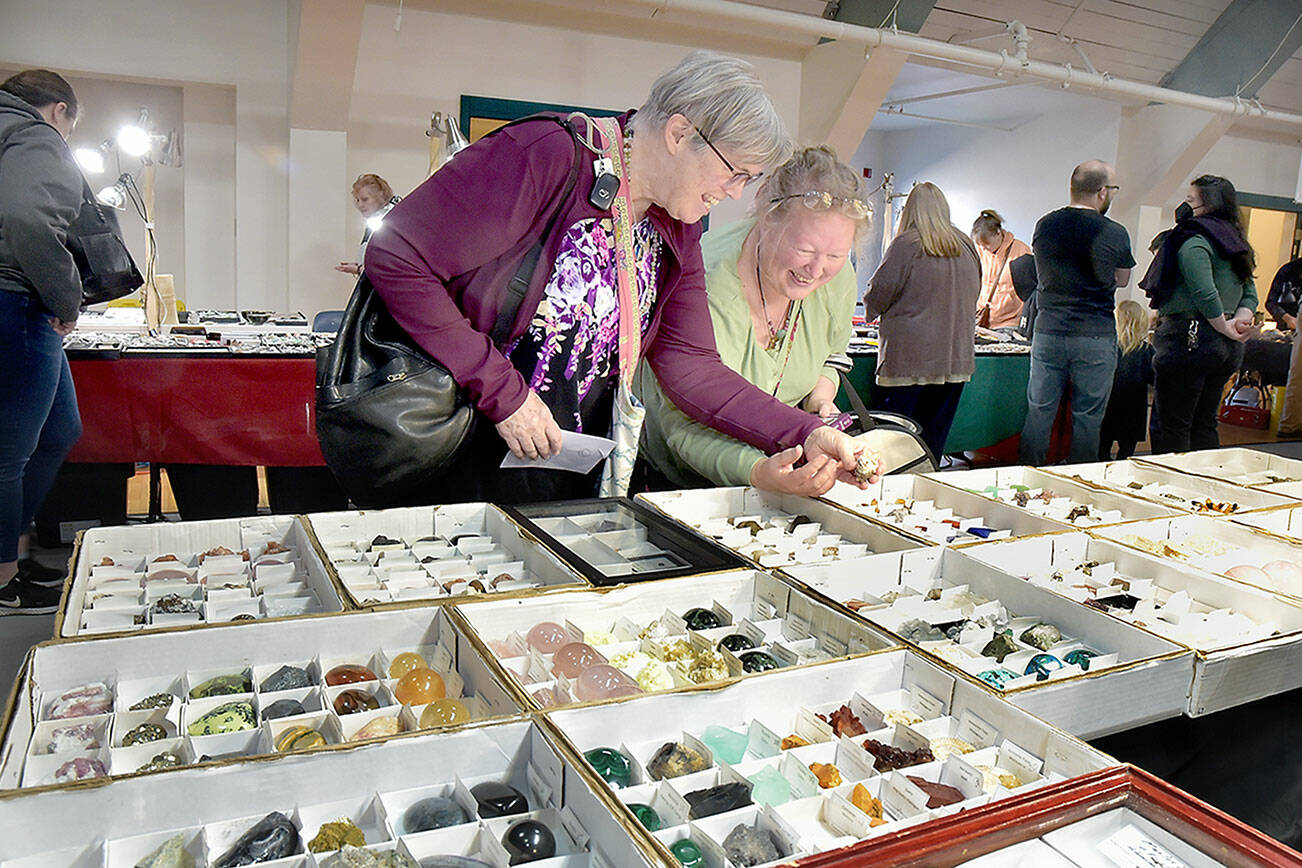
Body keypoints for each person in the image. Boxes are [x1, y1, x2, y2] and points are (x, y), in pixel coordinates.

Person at [363, 51, 874, 505]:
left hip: (558, 469)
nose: (737, 193)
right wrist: (505, 394)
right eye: (735, 172)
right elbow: (396, 257)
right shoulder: (547, 155)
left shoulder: (676, 226)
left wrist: (805, 430)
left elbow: (692, 367)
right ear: (679, 134)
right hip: (455, 449)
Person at [636, 146, 870, 494]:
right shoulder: (703, 282)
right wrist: (759, 471)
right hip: (672, 482)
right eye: (805, 250)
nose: (818, 270)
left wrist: (820, 404)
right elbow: (679, 425)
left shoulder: (837, 279)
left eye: (835, 255)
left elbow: (830, 357)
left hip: (781, 466)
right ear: (766, 216)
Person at [0, 70, 86, 613]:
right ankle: (4, 578)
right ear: (58, 111)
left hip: (18, 300)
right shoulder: (34, 134)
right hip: (18, 301)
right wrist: (66, 298)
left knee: (59, 430)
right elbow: (30, 217)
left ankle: (17, 550)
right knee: (9, 454)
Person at [1019, 160, 1135, 465]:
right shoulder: (1114, 231)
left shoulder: (1045, 224)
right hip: (1094, 333)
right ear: (1101, 192)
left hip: (1049, 330)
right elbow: (1122, 279)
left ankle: (1025, 475)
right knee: (1087, 417)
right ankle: (1078, 482)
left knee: (1039, 410)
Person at [862, 182, 981, 460]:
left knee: (893, 443)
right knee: (932, 445)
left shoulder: (907, 244)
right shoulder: (966, 244)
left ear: (910, 210)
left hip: (909, 361)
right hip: (955, 360)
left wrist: (871, 312)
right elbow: (976, 291)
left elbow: (879, 292)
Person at [1144, 175, 1257, 453]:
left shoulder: (1193, 239)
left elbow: (1204, 293)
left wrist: (1224, 326)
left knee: (1175, 425)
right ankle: (1206, 486)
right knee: (1205, 423)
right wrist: (1237, 324)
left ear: (1206, 204)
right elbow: (1250, 292)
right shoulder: (1235, 242)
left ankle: (1171, 490)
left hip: (1189, 339)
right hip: (1226, 348)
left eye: (1190, 200)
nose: (1184, 205)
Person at [1098, 300, 1154, 460]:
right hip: (1134, 410)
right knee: (1126, 453)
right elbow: (1154, 378)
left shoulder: (1108, 347)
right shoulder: (1146, 350)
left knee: (1102, 448)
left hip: (1108, 405)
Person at [971, 209, 1030, 329]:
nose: (984, 249)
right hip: (982, 320)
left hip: (1010, 322)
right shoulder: (979, 251)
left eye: (987, 244)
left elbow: (1029, 292)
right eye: (980, 245)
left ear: (999, 233)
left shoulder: (1021, 251)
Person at [335, 173, 400, 276]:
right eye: (357, 200)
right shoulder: (377, 221)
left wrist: (358, 269)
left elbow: (387, 268)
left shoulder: (390, 223)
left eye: (365, 199)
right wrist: (359, 265)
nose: (360, 205)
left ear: (380, 197)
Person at [1266, 255, 1302, 436]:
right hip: (1287, 331)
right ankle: (1290, 425)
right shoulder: (1289, 271)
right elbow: (1270, 302)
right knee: (1298, 375)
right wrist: (1288, 319)